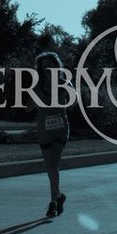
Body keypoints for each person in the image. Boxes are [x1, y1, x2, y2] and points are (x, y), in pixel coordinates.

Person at [34, 51, 69, 217]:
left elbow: (72, 101)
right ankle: (59, 196)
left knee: (53, 165)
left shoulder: (64, 83)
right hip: (44, 130)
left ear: (57, 66)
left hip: (60, 129)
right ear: (41, 68)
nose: (47, 68)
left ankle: (52, 203)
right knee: (50, 168)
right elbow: (28, 107)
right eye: (44, 65)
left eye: (50, 64)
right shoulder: (38, 86)